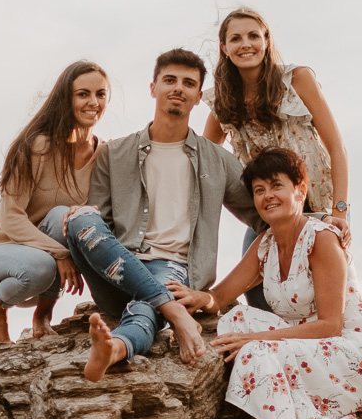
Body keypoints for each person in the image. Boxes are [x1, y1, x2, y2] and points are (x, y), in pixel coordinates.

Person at [170, 147, 362, 419]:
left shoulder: (321, 240)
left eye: (276, 185)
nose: (267, 196)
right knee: (237, 320)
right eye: (259, 190)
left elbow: (329, 326)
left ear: (300, 190)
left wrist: (258, 339)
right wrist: (201, 298)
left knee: (256, 347)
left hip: (358, 354)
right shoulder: (265, 244)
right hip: (311, 348)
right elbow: (222, 297)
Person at [68, 48, 262, 382]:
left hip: (174, 271)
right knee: (78, 218)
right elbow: (99, 224)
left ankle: (115, 348)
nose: (178, 88)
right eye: (169, 80)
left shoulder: (218, 161)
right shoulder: (114, 153)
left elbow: (267, 223)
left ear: (199, 96)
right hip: (118, 271)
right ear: (153, 87)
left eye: (188, 83)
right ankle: (173, 312)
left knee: (146, 306)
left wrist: (220, 295)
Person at [203, 6, 352, 307]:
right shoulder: (225, 98)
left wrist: (340, 211)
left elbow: (337, 146)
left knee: (327, 297)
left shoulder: (296, 79)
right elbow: (205, 157)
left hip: (319, 205)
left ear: (266, 40)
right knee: (258, 295)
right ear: (225, 48)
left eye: (253, 36)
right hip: (269, 213)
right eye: (236, 39)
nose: (246, 44)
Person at [0, 61, 109, 345]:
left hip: (44, 260)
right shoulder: (38, 146)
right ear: (66, 99)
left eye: (100, 94)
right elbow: (11, 219)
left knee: (65, 218)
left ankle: (42, 317)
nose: (93, 102)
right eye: (83, 94)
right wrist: (61, 254)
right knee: (44, 260)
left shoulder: (103, 153)